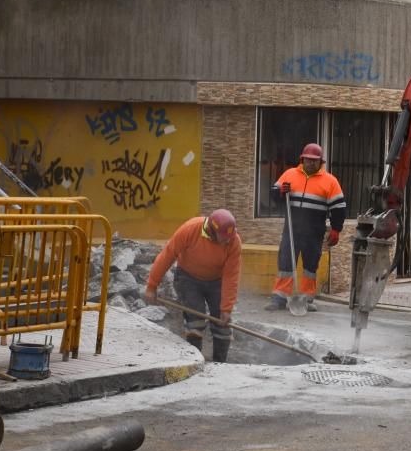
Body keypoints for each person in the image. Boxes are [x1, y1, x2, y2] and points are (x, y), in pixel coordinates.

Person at [144, 209, 242, 363]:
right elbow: (167, 255)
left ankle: (220, 364)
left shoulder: (233, 241)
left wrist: (226, 308)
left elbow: (231, 276)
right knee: (196, 320)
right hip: (188, 278)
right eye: (223, 238)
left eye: (228, 238)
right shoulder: (190, 229)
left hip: (217, 281)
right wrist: (152, 286)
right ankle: (194, 362)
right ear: (211, 230)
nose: (226, 242)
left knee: (222, 325)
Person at [265, 143, 346, 312]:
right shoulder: (289, 174)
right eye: (307, 160)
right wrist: (280, 193)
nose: (310, 163)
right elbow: (273, 194)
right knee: (286, 261)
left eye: (314, 161)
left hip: (314, 231)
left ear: (320, 162)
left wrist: (336, 229)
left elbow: (338, 207)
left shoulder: (330, 181)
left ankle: (307, 298)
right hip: (291, 229)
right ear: (302, 159)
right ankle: (279, 297)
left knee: (310, 265)